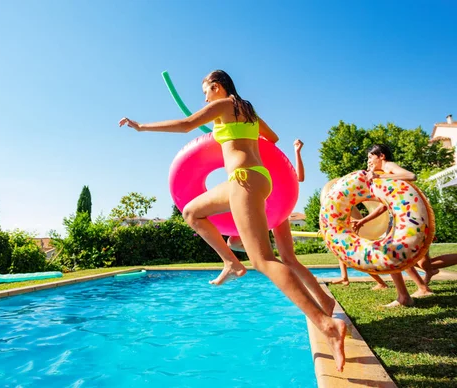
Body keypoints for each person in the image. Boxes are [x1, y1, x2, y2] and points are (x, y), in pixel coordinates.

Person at [119, 70, 346, 371]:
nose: (204, 98)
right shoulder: (248, 110)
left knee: (265, 260)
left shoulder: (224, 104)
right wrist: (233, 138)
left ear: (217, 86)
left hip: (243, 180)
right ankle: (231, 262)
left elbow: (187, 124)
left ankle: (326, 325)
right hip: (254, 178)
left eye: (206, 92)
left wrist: (142, 127)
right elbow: (273, 138)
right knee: (192, 212)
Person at [227, 139, 336, 316]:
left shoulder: (270, 157)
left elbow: (298, 177)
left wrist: (297, 151)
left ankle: (325, 301)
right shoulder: (242, 158)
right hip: (256, 207)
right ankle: (264, 249)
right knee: (232, 241)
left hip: (277, 208)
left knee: (289, 259)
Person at [350, 144, 433, 307]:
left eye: (370, 157)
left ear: (381, 156)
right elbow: (384, 205)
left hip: (407, 218)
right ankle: (412, 292)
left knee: (392, 254)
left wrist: (379, 177)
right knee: (392, 255)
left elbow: (411, 175)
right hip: (397, 217)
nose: (369, 161)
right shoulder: (383, 175)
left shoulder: (388, 166)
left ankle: (407, 295)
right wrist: (362, 221)